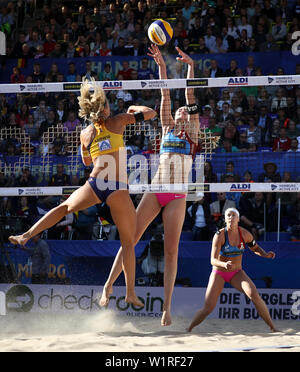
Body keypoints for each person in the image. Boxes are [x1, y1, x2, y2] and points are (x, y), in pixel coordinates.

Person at [9, 78, 157, 307]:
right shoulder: (118, 121)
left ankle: (26, 235)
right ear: (104, 106)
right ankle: (130, 292)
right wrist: (133, 109)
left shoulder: (86, 133)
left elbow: (86, 160)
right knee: (128, 243)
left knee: (63, 207)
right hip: (116, 187)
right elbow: (152, 113)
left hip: (96, 183)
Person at [100, 45, 201, 326]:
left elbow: (189, 94)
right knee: (129, 238)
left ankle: (166, 308)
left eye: (185, 111)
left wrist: (191, 67)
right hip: (156, 191)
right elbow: (165, 92)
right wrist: (162, 65)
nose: (181, 111)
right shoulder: (167, 126)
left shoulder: (193, 130)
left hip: (177, 195)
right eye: (179, 111)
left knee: (171, 251)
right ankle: (108, 286)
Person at [187, 208, 277, 333]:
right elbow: (212, 260)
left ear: (238, 219)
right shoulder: (219, 235)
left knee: (254, 295)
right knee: (208, 308)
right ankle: (189, 328)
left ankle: (272, 327)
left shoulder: (245, 234)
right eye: (228, 215)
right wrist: (223, 264)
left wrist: (265, 254)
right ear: (225, 219)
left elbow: (255, 248)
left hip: (236, 272)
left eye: (233, 215)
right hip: (219, 272)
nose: (231, 217)